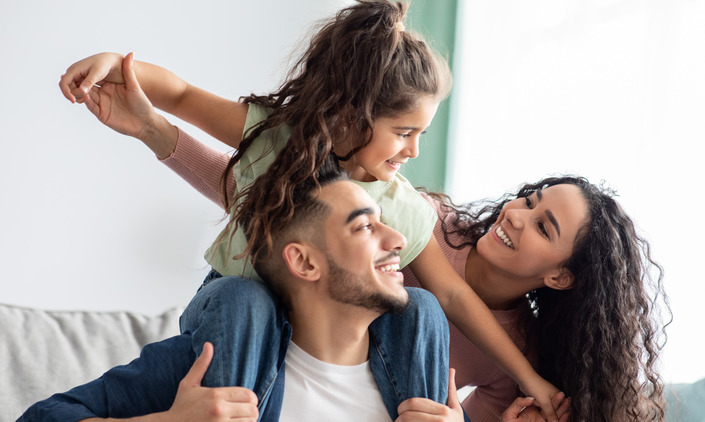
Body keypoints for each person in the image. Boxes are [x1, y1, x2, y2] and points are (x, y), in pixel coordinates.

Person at [58, 0, 565, 421]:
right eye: (404, 133)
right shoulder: (281, 141)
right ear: (351, 115)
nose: (413, 151)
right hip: (236, 312)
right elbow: (186, 97)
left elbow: (452, 295)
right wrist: (117, 67)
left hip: (332, 333)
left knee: (423, 307)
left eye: (421, 135)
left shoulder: (403, 208)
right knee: (243, 299)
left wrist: (531, 379)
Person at [20, 165, 464, 421]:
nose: (398, 240)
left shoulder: (420, 386)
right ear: (305, 262)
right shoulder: (209, 365)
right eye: (366, 226)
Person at [405, 176, 669, 421]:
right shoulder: (423, 217)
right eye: (530, 201)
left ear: (560, 277)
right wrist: (526, 376)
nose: (516, 216)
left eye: (542, 228)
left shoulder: (521, 352)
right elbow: (451, 294)